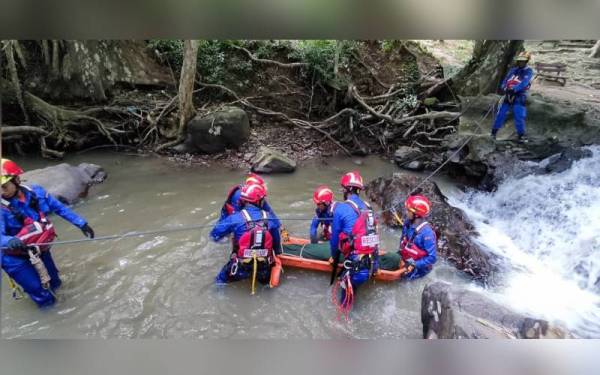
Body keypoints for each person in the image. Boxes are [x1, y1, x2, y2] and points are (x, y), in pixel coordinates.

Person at [1, 159, 95, 308]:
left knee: (55, 283)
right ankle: (53, 316)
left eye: (4, 187)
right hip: (13, 257)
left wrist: (81, 223)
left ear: (17, 180)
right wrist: (9, 241)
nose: (1, 191)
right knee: (41, 293)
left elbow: (59, 208)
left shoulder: (37, 193)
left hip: (38, 247)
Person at [210, 183, 281, 291]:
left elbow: (214, 235)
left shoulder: (235, 218)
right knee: (267, 286)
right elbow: (277, 247)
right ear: (259, 201)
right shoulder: (271, 218)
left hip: (240, 268)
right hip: (264, 269)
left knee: (220, 281)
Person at [329, 171, 379, 316]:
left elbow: (334, 240)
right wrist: (376, 266)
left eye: (343, 189)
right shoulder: (369, 208)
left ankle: (343, 328)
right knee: (354, 293)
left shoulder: (341, 209)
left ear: (347, 189)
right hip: (369, 266)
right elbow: (374, 238)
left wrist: (334, 258)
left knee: (344, 307)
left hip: (354, 269)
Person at [491, 51, 534, 143]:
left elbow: (524, 83)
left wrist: (514, 89)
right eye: (519, 61)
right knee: (501, 113)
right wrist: (504, 87)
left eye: (523, 61)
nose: (521, 62)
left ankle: (521, 135)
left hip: (519, 95)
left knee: (519, 115)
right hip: (508, 94)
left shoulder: (528, 71)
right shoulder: (513, 70)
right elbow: (506, 80)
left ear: (526, 61)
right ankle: (493, 133)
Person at [398, 194, 437, 280]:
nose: (406, 212)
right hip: (406, 258)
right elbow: (402, 240)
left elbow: (432, 258)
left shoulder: (427, 234)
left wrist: (414, 264)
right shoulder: (407, 223)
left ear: (416, 215)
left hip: (419, 268)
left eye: (408, 210)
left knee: (402, 279)